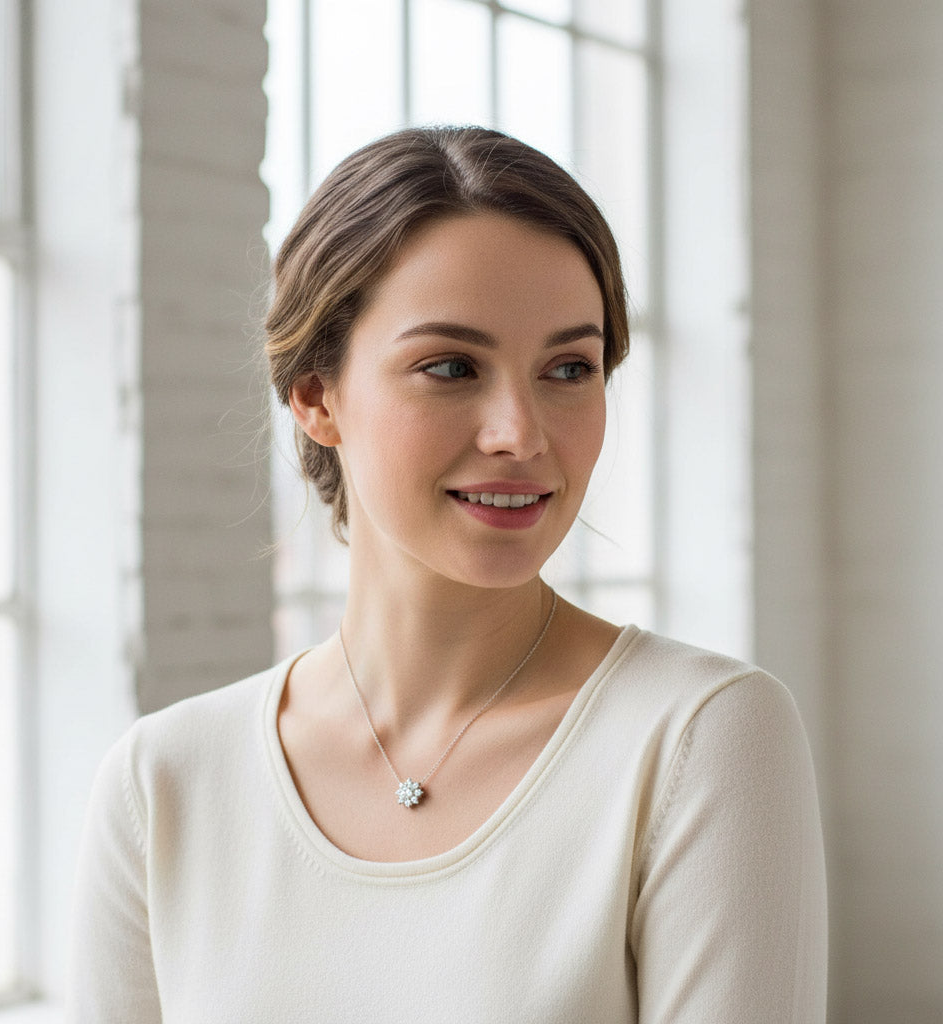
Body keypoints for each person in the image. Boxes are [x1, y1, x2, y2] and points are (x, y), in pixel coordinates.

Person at [68, 126, 827, 1022]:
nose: (521, 432)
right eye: (451, 367)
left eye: (569, 368)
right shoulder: (163, 784)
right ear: (316, 394)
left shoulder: (701, 740)